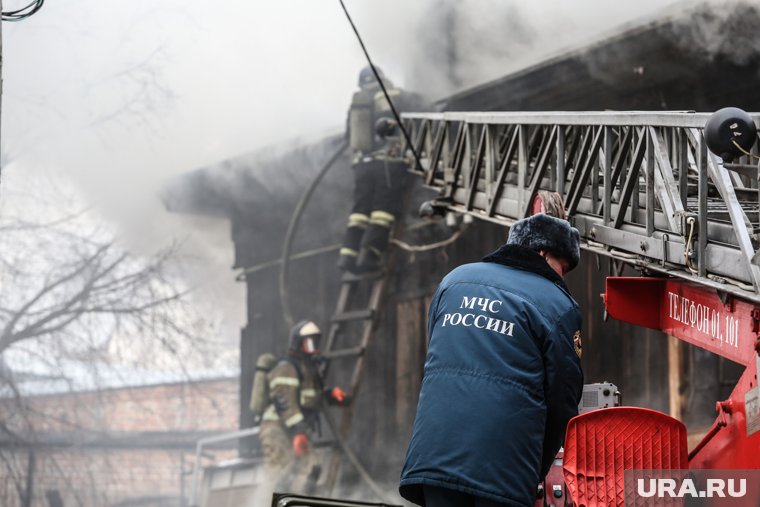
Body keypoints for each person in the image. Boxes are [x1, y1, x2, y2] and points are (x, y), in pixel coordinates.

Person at [399, 212, 584, 507]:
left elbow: (436, 363)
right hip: (503, 469)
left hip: (433, 459)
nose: (561, 279)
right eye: (562, 268)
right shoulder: (557, 303)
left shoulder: (453, 282)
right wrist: (535, 470)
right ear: (544, 252)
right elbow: (563, 400)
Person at [337, 66, 420, 274]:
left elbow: (349, 138)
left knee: (359, 212)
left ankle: (347, 256)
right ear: (382, 77)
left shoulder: (358, 104)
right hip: (386, 163)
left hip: (361, 166)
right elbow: (416, 106)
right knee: (383, 211)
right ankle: (370, 255)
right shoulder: (395, 95)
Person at [258, 320, 348, 495]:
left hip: (295, 430)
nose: (312, 347)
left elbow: (311, 396)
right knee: (280, 474)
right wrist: (298, 431)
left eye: (315, 341)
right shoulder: (287, 368)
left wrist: (331, 395)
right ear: (298, 343)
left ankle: (299, 502)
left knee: (312, 465)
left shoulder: (307, 369)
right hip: (277, 429)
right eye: (308, 342)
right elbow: (285, 403)